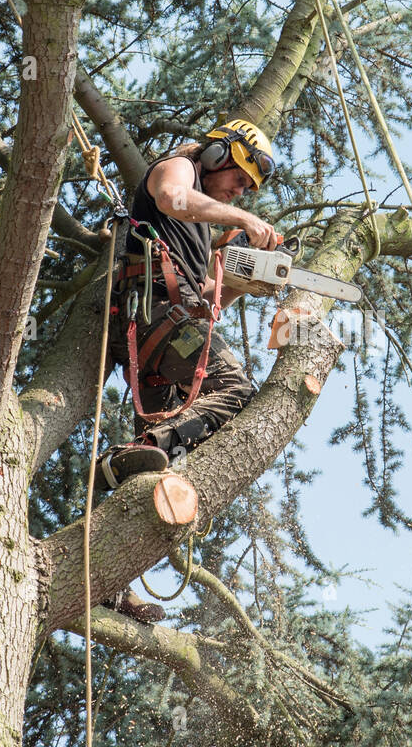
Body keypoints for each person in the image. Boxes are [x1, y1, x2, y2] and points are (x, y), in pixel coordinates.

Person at [97, 120, 279, 622]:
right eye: (239, 179)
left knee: (149, 479)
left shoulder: (200, 231)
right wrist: (240, 214)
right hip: (153, 311)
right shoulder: (180, 168)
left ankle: (105, 584)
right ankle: (144, 448)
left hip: (170, 324)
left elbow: (208, 293)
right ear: (218, 152)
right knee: (239, 393)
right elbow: (174, 197)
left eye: (247, 189)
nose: (240, 190)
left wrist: (247, 270)